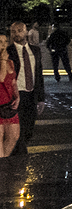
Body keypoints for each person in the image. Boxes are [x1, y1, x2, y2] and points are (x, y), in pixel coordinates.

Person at [7, 19, 45, 152]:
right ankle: (20, 158)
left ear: (26, 32)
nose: (16, 34)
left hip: (32, 94)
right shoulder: (8, 52)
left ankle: (20, 150)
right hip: (16, 95)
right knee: (18, 131)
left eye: (19, 31)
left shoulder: (35, 51)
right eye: (13, 32)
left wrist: (41, 99)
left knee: (29, 129)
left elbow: (39, 75)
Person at [0, 31, 18, 159]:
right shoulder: (4, 60)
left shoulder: (10, 62)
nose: (3, 45)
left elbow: (13, 81)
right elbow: (1, 78)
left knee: (14, 137)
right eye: (0, 42)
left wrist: (17, 96)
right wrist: (2, 60)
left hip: (8, 105)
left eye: (5, 41)